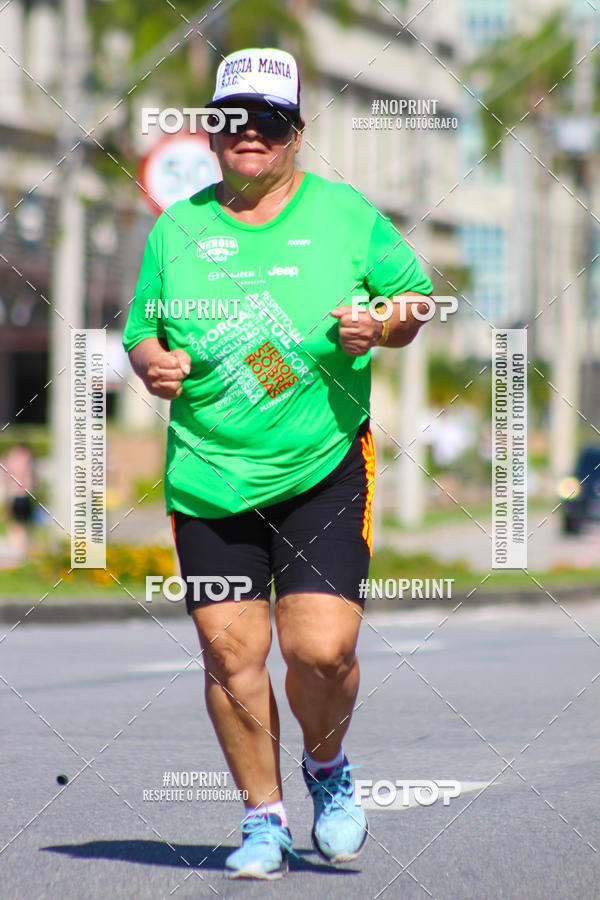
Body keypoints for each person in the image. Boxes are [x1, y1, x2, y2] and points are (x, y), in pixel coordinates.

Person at [123, 47, 433, 880]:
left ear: (297, 132)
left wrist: (383, 324)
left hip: (322, 463)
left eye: (270, 121)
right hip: (209, 475)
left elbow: (415, 298)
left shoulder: (345, 214)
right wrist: (152, 361)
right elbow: (140, 329)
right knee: (231, 656)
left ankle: (327, 770)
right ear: (215, 133)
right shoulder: (178, 226)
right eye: (233, 122)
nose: (250, 136)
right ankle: (263, 819)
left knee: (322, 649)